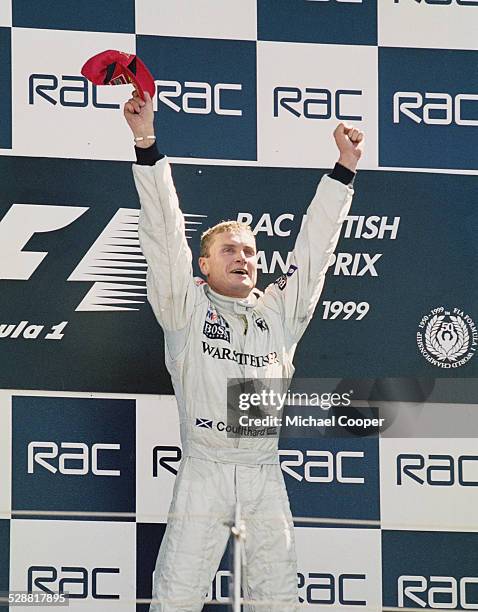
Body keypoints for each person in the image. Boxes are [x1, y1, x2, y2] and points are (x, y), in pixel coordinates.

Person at [124, 90, 363, 612]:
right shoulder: (182, 307)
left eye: (250, 251)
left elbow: (314, 249)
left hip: (263, 472)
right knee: (177, 597)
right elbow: (164, 233)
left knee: (276, 600)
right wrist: (146, 143)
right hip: (203, 471)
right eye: (228, 250)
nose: (243, 258)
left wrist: (343, 170)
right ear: (204, 265)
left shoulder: (280, 310)